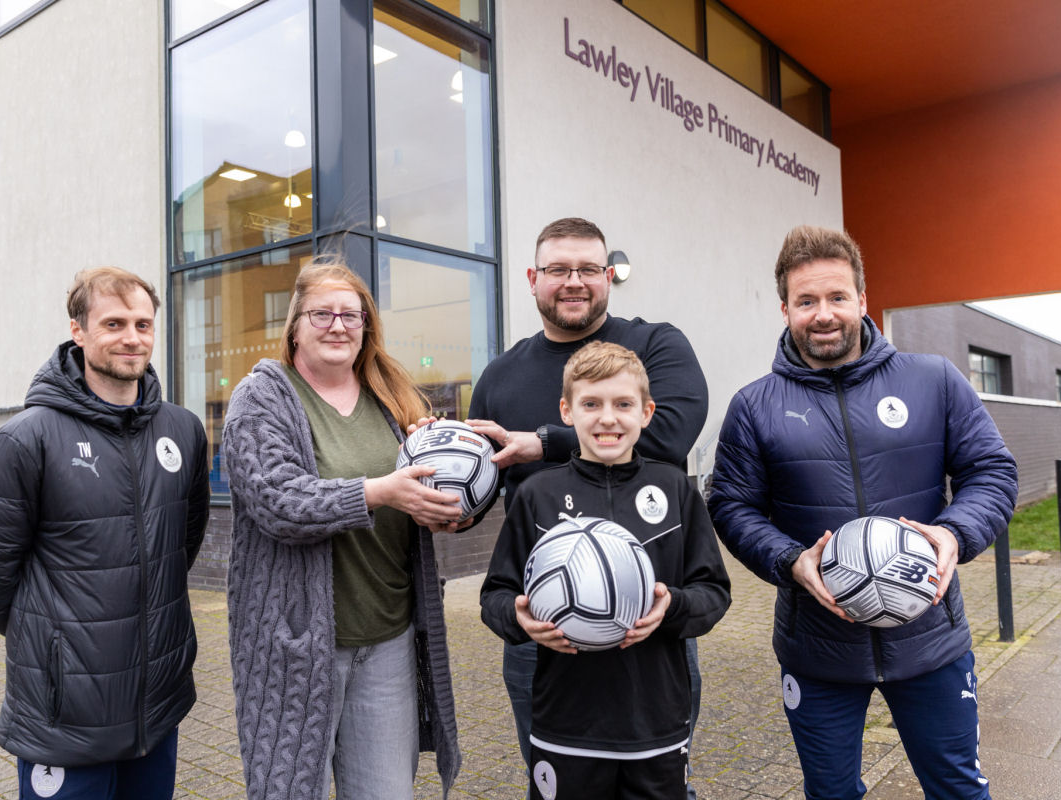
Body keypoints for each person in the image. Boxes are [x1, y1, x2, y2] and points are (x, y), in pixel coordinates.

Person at [707, 225, 1018, 800]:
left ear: (862, 300)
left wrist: (955, 534)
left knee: (958, 790)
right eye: (806, 301)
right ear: (785, 310)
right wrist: (790, 560)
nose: (823, 314)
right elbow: (730, 504)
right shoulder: (754, 406)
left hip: (930, 640)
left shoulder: (934, 379)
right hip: (817, 648)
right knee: (831, 794)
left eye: (837, 297)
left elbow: (992, 471)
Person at [466, 217, 709, 793]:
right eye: (558, 269)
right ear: (533, 279)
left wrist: (545, 443)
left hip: (649, 639)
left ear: (608, 276)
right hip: (544, 636)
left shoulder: (656, 345)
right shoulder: (500, 376)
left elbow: (672, 433)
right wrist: (441, 483)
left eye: (588, 269)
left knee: (660, 777)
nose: (573, 281)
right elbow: (480, 488)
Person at [0, 267, 210, 800]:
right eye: (114, 324)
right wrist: (56, 643)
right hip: (65, 714)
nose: (132, 338)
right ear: (78, 331)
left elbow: (180, 544)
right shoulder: (26, 440)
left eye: (142, 324)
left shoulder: (182, 430)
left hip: (156, 704)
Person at [221, 261, 462, 800]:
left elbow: (417, 495)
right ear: (295, 326)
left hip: (389, 639)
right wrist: (378, 491)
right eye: (322, 314)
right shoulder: (261, 398)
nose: (337, 326)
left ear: (366, 326)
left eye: (351, 316)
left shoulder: (389, 397)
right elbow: (277, 499)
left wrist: (445, 499)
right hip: (298, 647)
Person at [480, 341, 731, 800]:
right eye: (591, 404)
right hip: (566, 723)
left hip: (655, 723)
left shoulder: (675, 489)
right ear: (567, 411)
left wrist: (672, 607)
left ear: (647, 412)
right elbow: (494, 594)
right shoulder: (537, 495)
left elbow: (713, 591)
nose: (608, 419)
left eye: (623, 405)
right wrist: (518, 618)